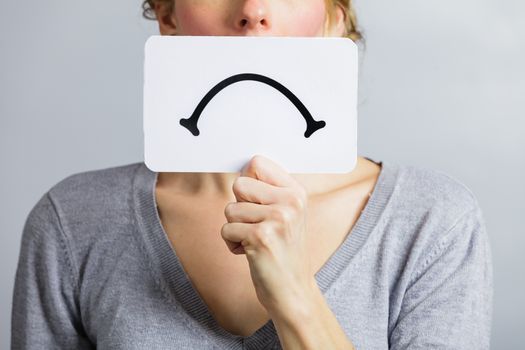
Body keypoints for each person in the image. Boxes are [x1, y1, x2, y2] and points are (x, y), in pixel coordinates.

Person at [11, 1, 493, 349]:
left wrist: (296, 296)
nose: (253, 9)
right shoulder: (72, 223)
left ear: (331, 19)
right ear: (168, 16)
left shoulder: (433, 224)